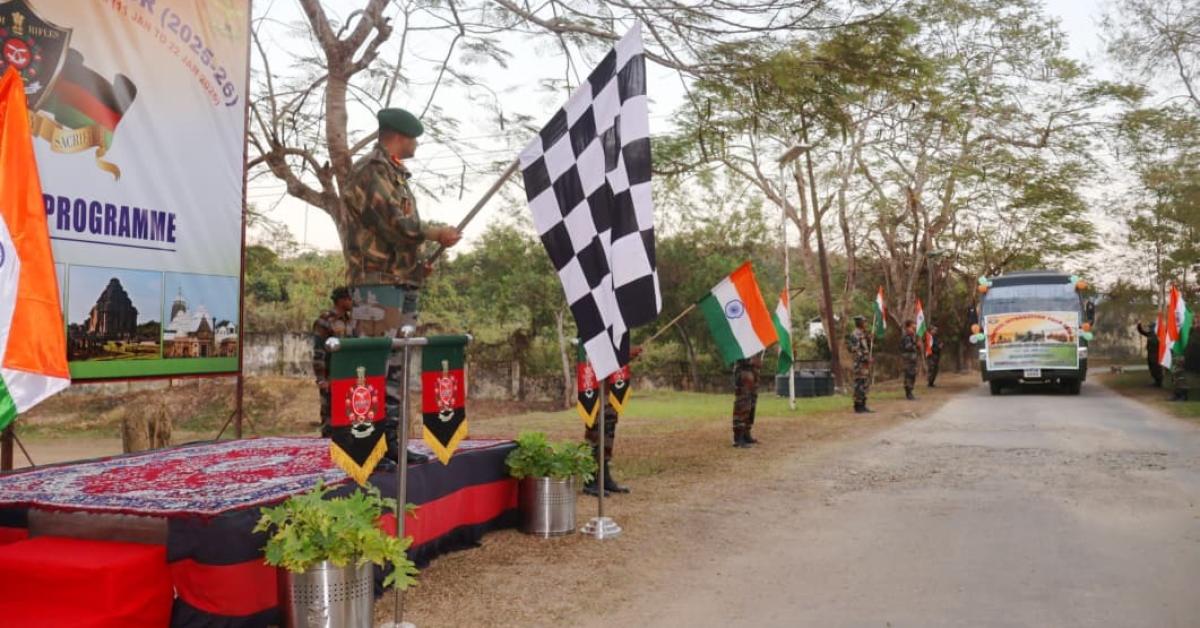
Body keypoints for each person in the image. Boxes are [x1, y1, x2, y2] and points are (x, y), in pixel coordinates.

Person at [343, 107, 461, 465]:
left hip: (400, 280)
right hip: (377, 284)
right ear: (398, 136)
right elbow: (395, 224)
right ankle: (368, 448)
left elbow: (400, 233)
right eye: (414, 139)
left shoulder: (395, 175)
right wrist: (433, 233)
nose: (416, 145)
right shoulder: (371, 172)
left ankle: (391, 444)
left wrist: (417, 264)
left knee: (397, 366)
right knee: (374, 366)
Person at [583, 345, 642, 496]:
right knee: (594, 435)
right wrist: (623, 353)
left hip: (608, 390)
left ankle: (604, 478)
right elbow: (596, 354)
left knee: (608, 434)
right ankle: (589, 481)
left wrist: (624, 354)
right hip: (594, 389)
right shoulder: (592, 329)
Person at [312, 287, 355, 437]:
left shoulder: (350, 321)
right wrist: (321, 379)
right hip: (331, 376)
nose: (352, 302)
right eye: (350, 299)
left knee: (348, 418)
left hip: (348, 375)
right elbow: (319, 352)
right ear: (341, 300)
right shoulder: (325, 321)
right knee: (329, 419)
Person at [731, 353, 763, 448]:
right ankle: (738, 437)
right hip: (743, 374)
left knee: (751, 404)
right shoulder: (743, 341)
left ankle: (746, 433)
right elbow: (738, 357)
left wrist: (757, 362)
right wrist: (751, 361)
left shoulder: (754, 343)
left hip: (753, 373)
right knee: (743, 404)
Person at [847, 315, 873, 413]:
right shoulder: (855, 334)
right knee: (859, 384)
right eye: (864, 322)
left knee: (865, 384)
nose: (866, 324)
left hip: (864, 363)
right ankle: (858, 406)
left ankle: (863, 404)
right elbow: (855, 350)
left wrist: (869, 338)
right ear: (860, 323)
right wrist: (866, 358)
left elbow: (866, 348)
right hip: (859, 363)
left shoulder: (863, 334)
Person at [1136, 320, 1163, 387]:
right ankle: (1156, 381)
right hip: (1150, 354)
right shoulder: (1150, 334)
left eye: (1151, 327)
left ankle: (1159, 382)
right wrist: (1139, 325)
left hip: (1156, 354)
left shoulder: (1159, 335)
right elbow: (1141, 331)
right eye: (1150, 327)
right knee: (1152, 368)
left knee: (1157, 368)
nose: (1150, 328)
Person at [900, 320, 919, 400]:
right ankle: (909, 393)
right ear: (908, 327)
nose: (915, 326)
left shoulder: (911, 336)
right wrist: (915, 345)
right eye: (913, 325)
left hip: (912, 358)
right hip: (908, 359)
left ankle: (910, 392)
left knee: (912, 375)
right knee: (909, 375)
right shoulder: (907, 336)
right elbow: (908, 347)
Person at [926, 323, 943, 387]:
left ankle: (932, 382)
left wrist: (940, 346)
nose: (935, 331)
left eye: (936, 330)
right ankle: (929, 382)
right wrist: (938, 347)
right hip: (931, 355)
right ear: (931, 330)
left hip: (936, 355)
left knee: (935, 369)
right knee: (931, 369)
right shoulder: (929, 338)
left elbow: (939, 344)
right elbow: (930, 347)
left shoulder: (936, 338)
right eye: (934, 330)